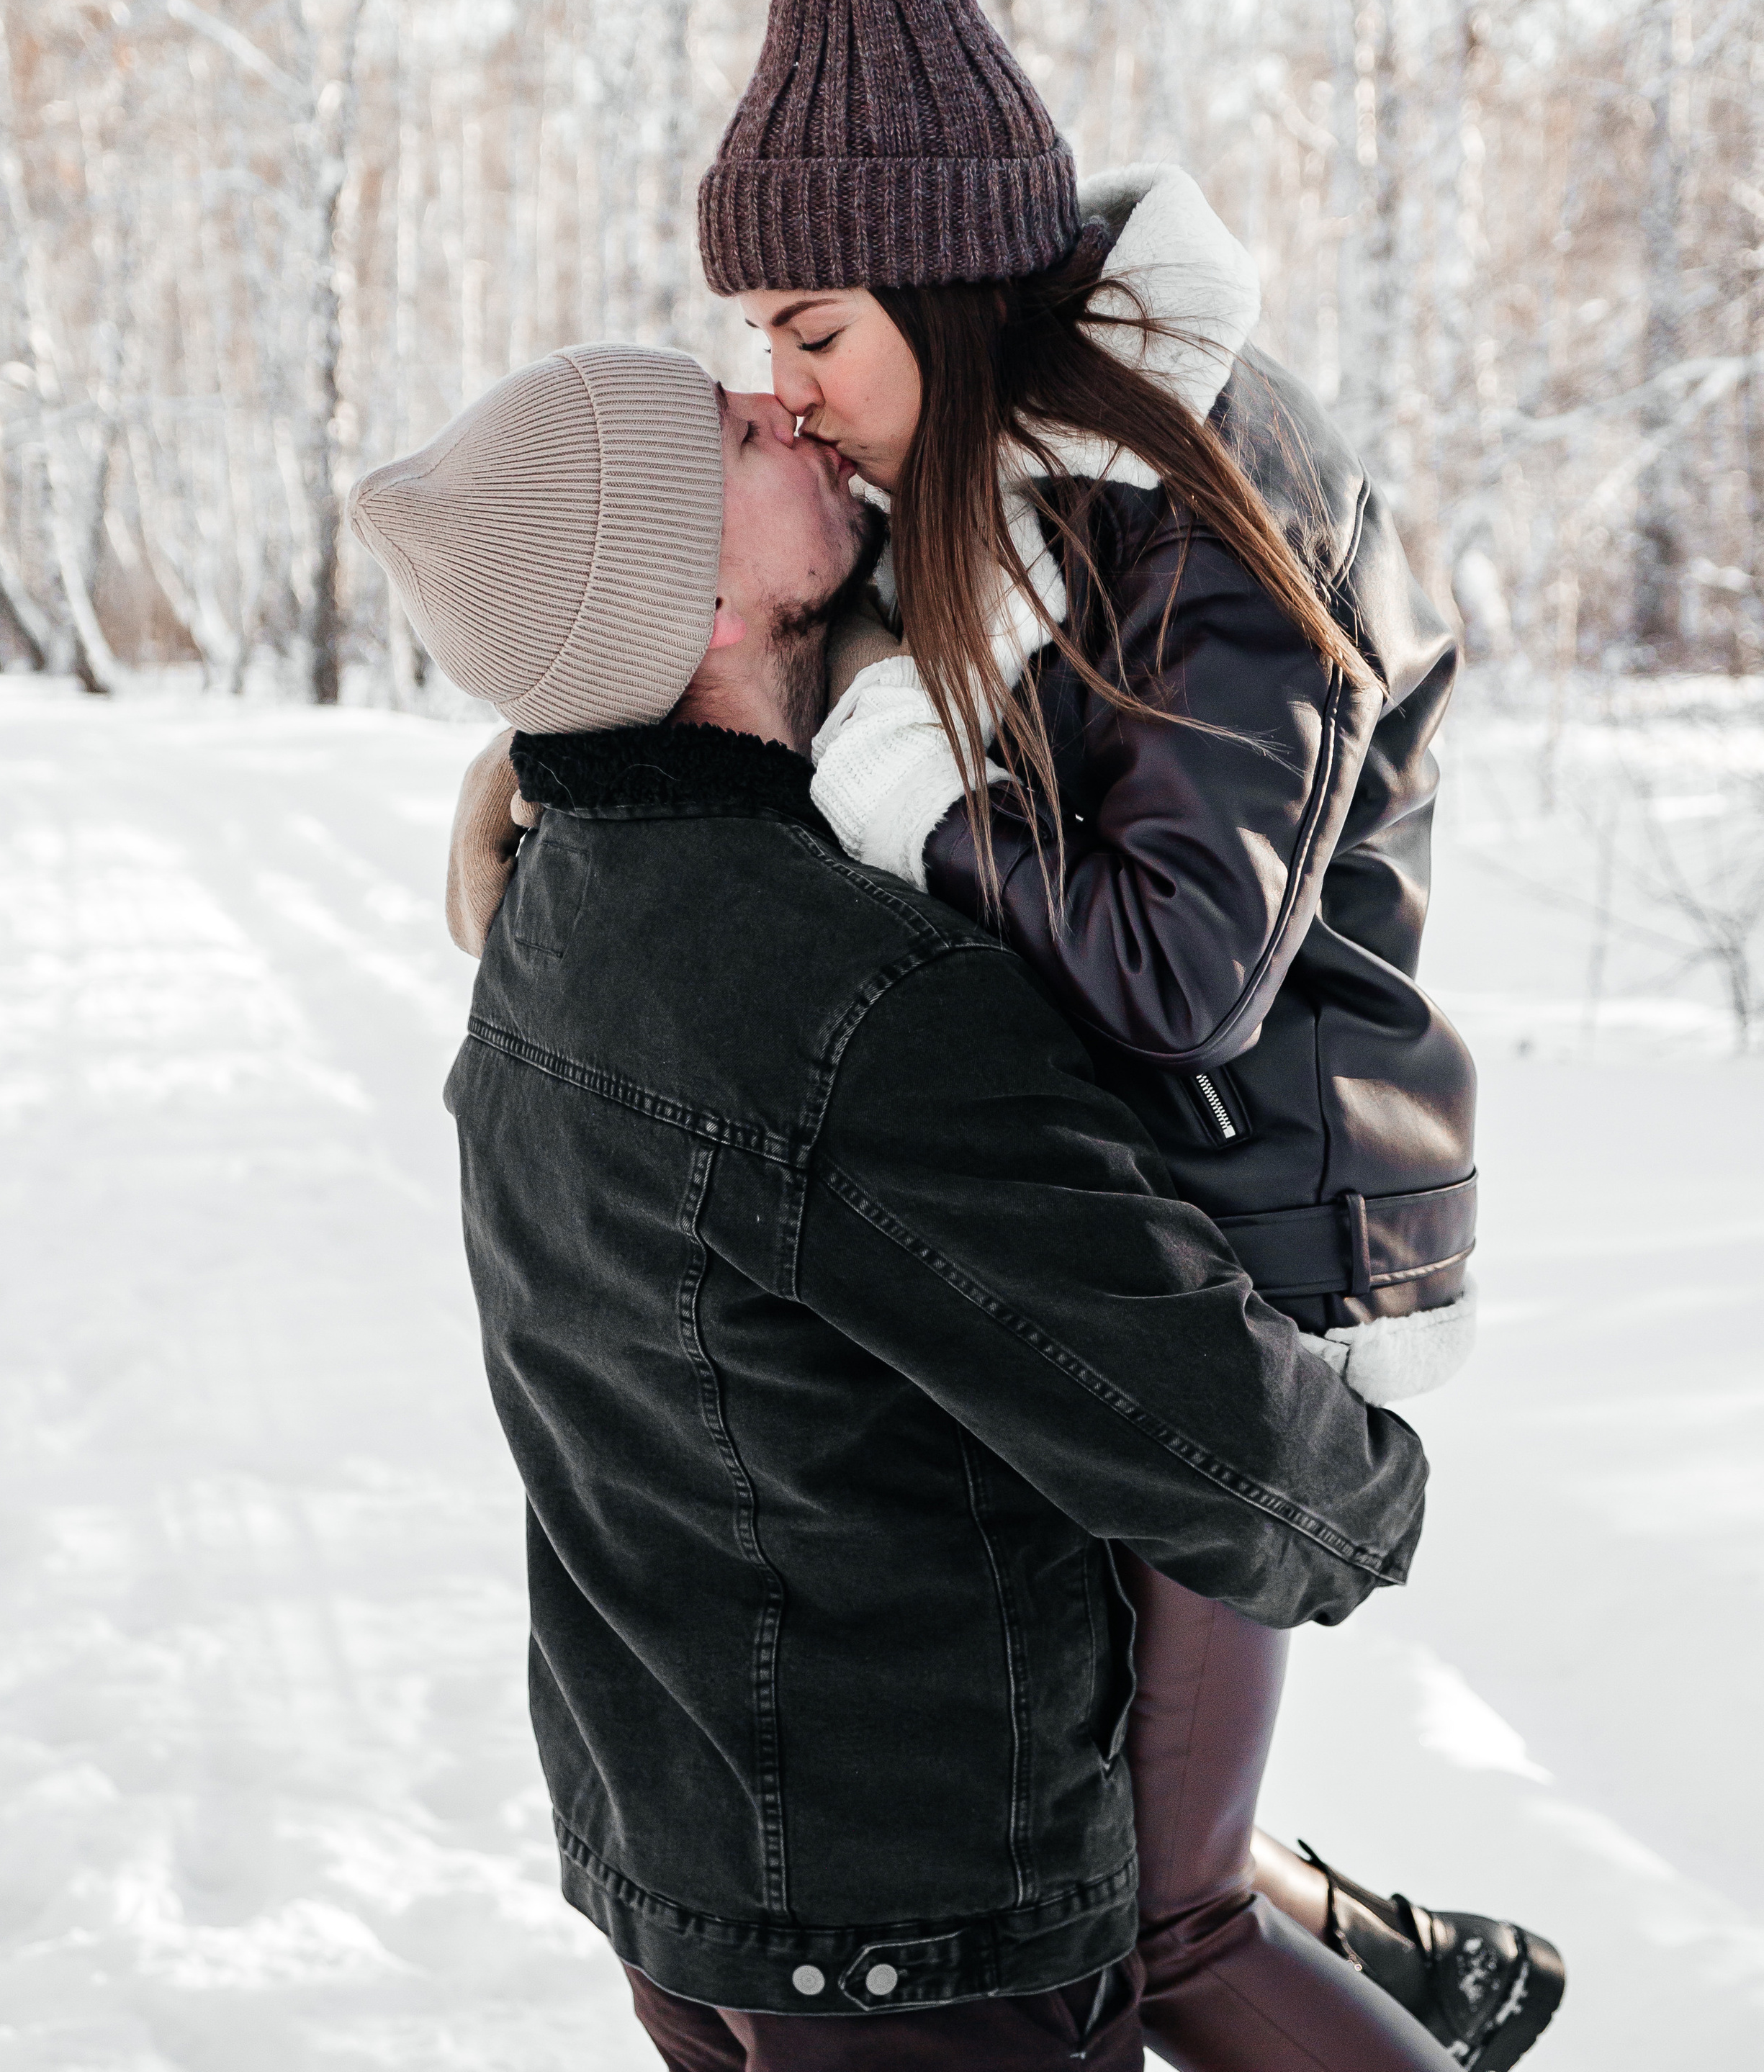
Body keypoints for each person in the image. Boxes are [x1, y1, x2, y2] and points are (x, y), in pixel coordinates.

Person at [447, 0, 1565, 2071]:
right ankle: (1349, 1918)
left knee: (1157, 1928)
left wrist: (888, 789)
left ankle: (1342, 1953)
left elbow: (1170, 970)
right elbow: (714, 656)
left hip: (1239, 1224)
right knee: (1124, 1847)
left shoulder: (1212, 493)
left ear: (948, 288)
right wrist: (563, 777)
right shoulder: (988, 479)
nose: (778, 391)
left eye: (808, 331)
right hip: (1073, 1226)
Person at [347, 342, 1438, 2072]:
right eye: (729, 432)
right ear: (689, 595)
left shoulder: (555, 908)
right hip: (911, 1925)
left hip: (689, 1876)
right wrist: (1361, 1486)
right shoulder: (837, 996)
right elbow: (1225, 1454)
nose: (779, 402)